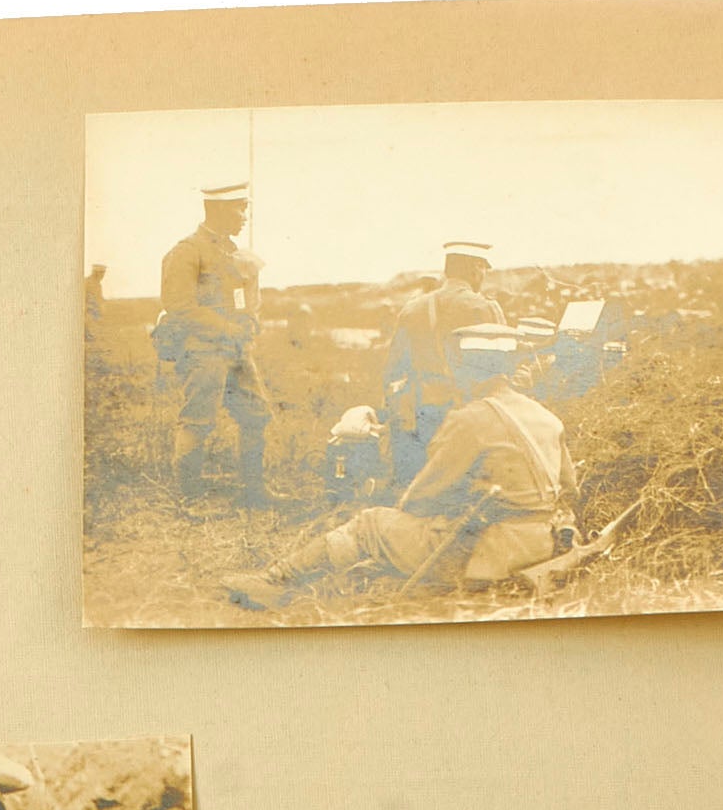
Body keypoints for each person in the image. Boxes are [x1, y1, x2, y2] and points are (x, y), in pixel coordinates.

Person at [223, 324, 579, 611]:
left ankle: (276, 581)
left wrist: (407, 513)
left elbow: (422, 496)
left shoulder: (470, 419)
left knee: (370, 523)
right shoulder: (546, 417)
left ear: (467, 369)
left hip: (487, 555)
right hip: (539, 546)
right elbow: (570, 489)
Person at [155, 180, 278, 506]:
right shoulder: (187, 251)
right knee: (197, 421)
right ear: (219, 209)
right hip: (202, 351)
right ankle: (191, 499)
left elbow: (244, 300)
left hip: (236, 350)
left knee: (256, 415)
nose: (245, 217)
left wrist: (250, 321)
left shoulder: (235, 254)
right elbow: (179, 305)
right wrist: (226, 328)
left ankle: (254, 492)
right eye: (240, 208)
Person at [382, 241, 506, 489]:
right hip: (469, 414)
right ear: (475, 268)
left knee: (426, 487)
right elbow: (501, 369)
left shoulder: (412, 309)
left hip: (421, 414)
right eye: (483, 268)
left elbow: (393, 371)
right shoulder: (485, 307)